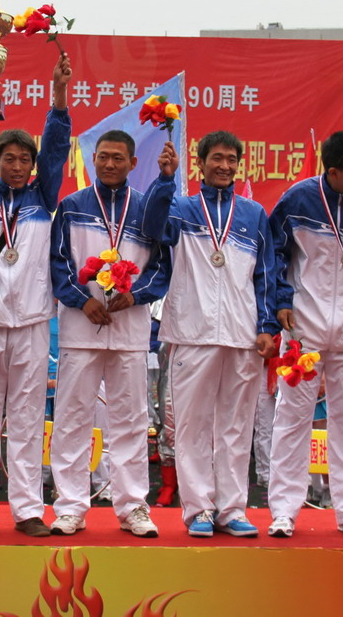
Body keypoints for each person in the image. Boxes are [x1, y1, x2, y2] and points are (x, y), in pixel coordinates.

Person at [0, 54, 71, 538]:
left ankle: (27, 510)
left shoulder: (44, 199)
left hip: (31, 324)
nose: (18, 166)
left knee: (26, 419)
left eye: (25, 159)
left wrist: (59, 99)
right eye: (10, 159)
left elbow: (57, 149)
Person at [146, 132, 277, 537]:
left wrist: (266, 326)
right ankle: (200, 508)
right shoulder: (182, 208)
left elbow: (266, 274)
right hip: (192, 331)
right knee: (192, 426)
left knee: (236, 426)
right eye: (216, 158)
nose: (224, 166)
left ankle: (232, 508)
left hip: (241, 334)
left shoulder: (253, 214)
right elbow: (152, 228)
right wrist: (165, 180)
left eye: (231, 159)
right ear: (200, 163)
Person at [266, 131, 343, 539]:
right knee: (292, 417)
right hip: (304, 328)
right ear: (333, 171)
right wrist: (282, 300)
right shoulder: (298, 200)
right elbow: (273, 254)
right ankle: (285, 509)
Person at [48, 129, 169, 537]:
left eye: (119, 158)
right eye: (103, 157)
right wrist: (81, 300)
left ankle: (133, 506)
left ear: (133, 163)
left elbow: (161, 266)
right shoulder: (71, 207)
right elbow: (58, 262)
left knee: (131, 420)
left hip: (129, 329)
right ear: (92, 159)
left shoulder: (148, 209)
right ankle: (70, 507)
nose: (110, 164)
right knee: (71, 419)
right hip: (81, 328)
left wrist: (136, 296)